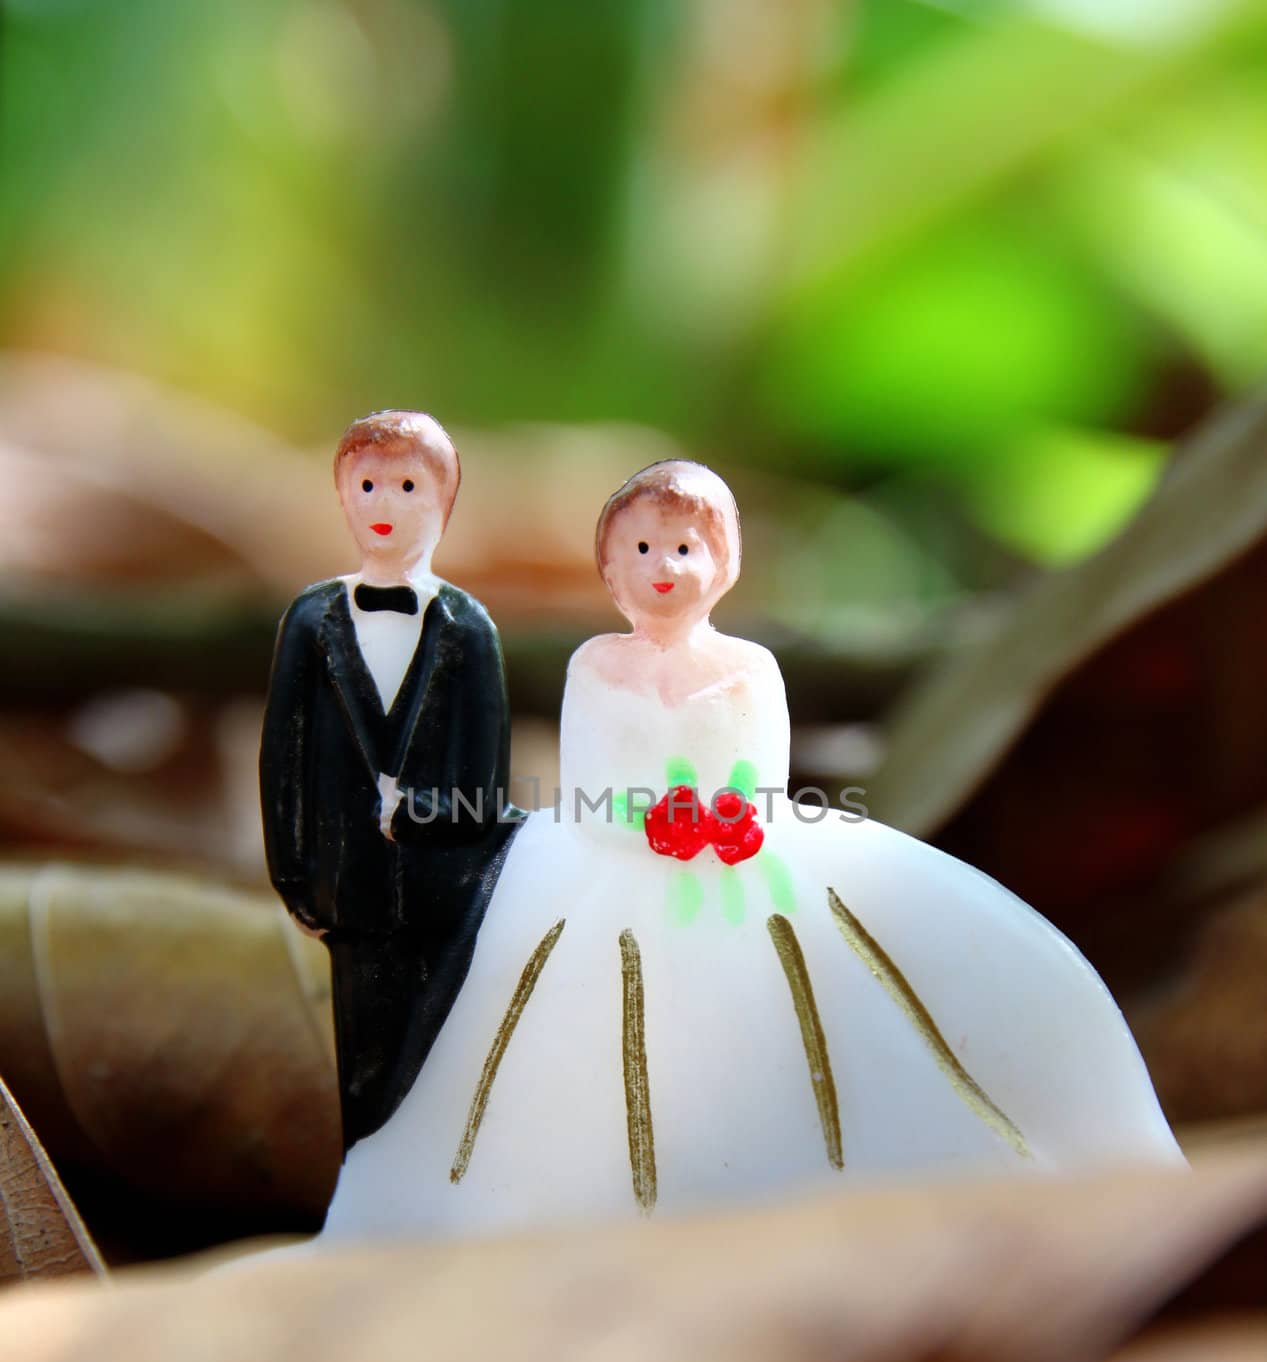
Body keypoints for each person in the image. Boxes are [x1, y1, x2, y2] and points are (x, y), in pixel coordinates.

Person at [318, 459, 1181, 1241]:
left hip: (739, 863)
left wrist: (717, 823)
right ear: (610, 570)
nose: (664, 566)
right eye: (644, 547)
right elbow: (588, 785)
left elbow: (756, 783)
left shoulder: (749, 668)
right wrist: (647, 823)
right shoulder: (594, 667)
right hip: (600, 869)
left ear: (722, 563)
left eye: (685, 546)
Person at [260, 411, 519, 1150]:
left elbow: (485, 791)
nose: (384, 505)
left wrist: (420, 819)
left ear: (445, 502)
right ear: (342, 496)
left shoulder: (468, 629)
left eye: (407, 486)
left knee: (440, 1065)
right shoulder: (311, 620)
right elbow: (283, 760)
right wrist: (295, 880)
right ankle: (365, 1207)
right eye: (367, 485)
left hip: (445, 895)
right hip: (351, 893)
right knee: (363, 1070)